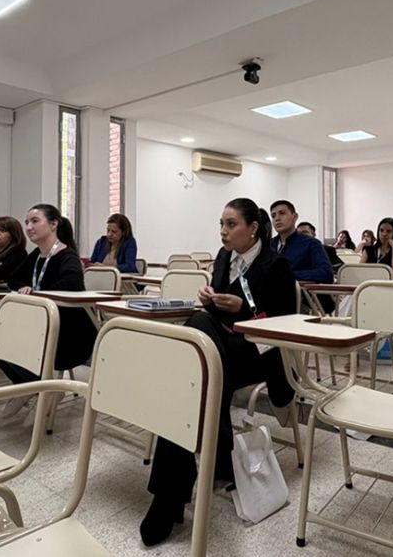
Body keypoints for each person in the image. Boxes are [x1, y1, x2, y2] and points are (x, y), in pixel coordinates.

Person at [140, 198, 297, 546]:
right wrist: (211, 297)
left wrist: (244, 307)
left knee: (194, 364)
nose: (223, 232)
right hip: (222, 346)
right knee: (196, 367)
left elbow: (286, 322)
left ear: (253, 228)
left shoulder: (276, 265)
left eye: (231, 224)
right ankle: (207, 460)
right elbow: (218, 307)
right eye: (221, 225)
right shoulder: (225, 257)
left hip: (259, 348)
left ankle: (172, 493)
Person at [5, 205, 97, 381]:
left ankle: (39, 389)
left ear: (53, 224)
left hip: (70, 329)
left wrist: (36, 295)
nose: (29, 227)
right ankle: (36, 388)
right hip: (42, 321)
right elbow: (13, 278)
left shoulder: (67, 255)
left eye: (35, 221)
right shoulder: (37, 255)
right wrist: (25, 287)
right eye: (27, 222)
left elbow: (72, 284)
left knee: (7, 340)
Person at [269, 200, 332, 283]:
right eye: (273, 216)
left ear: (295, 217)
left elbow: (326, 274)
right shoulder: (268, 245)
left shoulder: (311, 243)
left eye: (282, 213)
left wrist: (289, 275)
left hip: (301, 293)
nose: (277, 218)